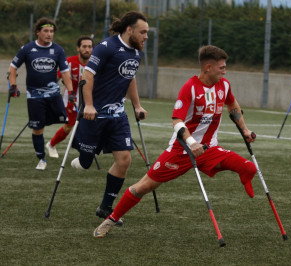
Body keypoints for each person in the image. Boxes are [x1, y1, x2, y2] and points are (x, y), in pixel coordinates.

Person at [93, 45, 258, 238]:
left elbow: (232, 105)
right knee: (144, 186)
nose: (225, 71)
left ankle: (237, 173)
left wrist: (244, 129)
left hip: (209, 148)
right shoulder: (190, 88)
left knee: (249, 168)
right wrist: (190, 142)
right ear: (208, 68)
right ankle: (111, 219)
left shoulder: (224, 85)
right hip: (182, 150)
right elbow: (177, 121)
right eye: (221, 67)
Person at [71, 11, 149, 225]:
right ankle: (83, 158)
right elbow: (87, 76)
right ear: (130, 30)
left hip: (117, 115)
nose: (146, 36)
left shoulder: (137, 52)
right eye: (143, 32)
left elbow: (129, 78)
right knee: (86, 163)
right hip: (94, 114)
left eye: (147, 33)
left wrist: (137, 105)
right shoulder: (107, 47)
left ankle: (105, 207)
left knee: (124, 160)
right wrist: (88, 105)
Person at [8, 17, 74, 170]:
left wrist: (70, 91)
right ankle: (41, 158)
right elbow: (13, 67)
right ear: (38, 32)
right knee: (38, 128)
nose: (49, 34)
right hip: (35, 97)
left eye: (51, 31)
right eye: (46, 31)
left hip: (54, 96)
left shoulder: (58, 50)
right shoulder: (27, 49)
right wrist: (13, 85)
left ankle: (79, 150)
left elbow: (65, 72)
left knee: (69, 122)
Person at [46, 36, 94, 158]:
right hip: (72, 100)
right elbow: (56, 78)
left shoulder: (95, 64)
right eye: (84, 46)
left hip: (90, 100)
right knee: (69, 126)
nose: (87, 49)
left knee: (92, 125)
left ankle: (85, 151)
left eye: (89, 47)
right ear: (78, 48)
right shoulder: (69, 62)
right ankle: (51, 144)